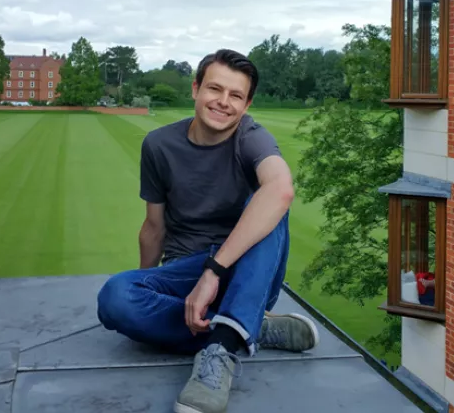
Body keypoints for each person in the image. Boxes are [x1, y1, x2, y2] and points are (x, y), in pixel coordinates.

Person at [96, 49, 320, 413]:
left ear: (247, 104)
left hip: (244, 271)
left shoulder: (251, 138)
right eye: (215, 89)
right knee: (115, 299)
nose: (223, 102)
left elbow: (280, 189)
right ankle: (248, 328)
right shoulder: (158, 145)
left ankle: (221, 349)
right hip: (186, 268)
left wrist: (213, 272)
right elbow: (154, 227)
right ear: (196, 89)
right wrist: (147, 285)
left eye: (236, 95)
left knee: (270, 203)